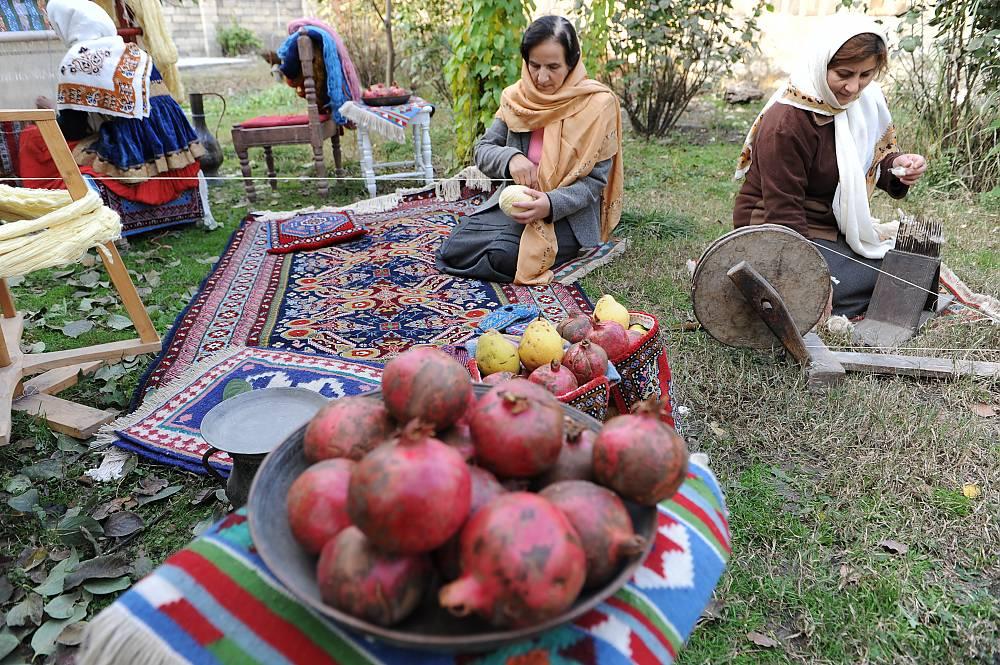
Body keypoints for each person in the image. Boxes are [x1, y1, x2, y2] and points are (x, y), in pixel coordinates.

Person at [733, 15, 927, 318]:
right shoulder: (788, 121)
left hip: (829, 228)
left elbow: (873, 161)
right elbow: (783, 212)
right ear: (821, 64)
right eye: (844, 74)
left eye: (866, 74)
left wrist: (898, 165)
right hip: (776, 228)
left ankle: (811, 297)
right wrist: (809, 275)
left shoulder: (866, 101)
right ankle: (794, 300)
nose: (853, 87)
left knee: (912, 270)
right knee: (886, 280)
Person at [436, 15, 624, 285]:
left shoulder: (598, 106)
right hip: (520, 207)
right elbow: (483, 149)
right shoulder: (517, 99)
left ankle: (511, 247)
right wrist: (511, 158)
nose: (541, 77)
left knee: (502, 255)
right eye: (534, 65)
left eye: (553, 66)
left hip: (565, 214)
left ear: (572, 63)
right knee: (454, 248)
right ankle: (503, 242)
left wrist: (549, 204)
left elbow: (594, 181)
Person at [18, 0, 203, 206]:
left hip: (134, 152)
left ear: (67, 24)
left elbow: (73, 130)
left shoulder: (77, 60)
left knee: (34, 136)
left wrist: (51, 113)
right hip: (174, 145)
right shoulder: (134, 52)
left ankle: (43, 203)